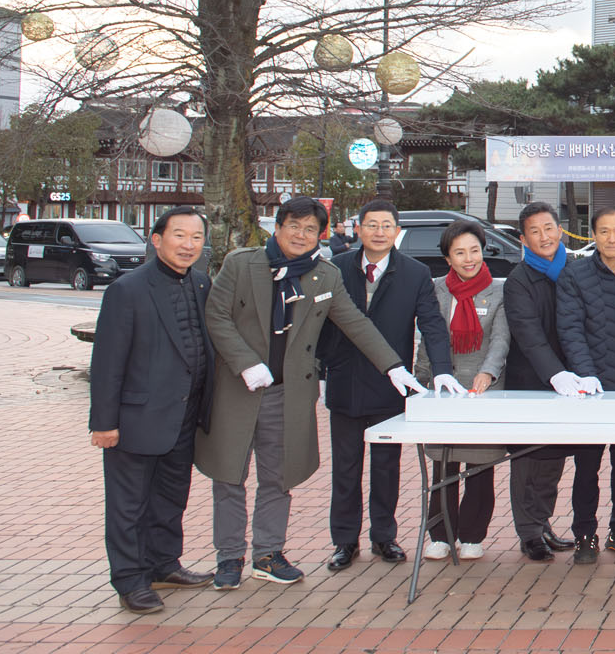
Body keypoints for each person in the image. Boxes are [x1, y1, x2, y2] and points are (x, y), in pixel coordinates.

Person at [196, 196, 428, 590]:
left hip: (286, 394)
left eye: (310, 229)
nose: (301, 235)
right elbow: (216, 316)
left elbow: (356, 323)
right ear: (277, 227)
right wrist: (245, 363)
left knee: (278, 477)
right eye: (294, 226)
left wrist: (393, 366)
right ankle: (229, 557)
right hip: (237, 389)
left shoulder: (324, 275)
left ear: (320, 235)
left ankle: (268, 554)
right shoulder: (240, 264)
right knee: (229, 475)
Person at [319, 199, 459, 571]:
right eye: (371, 225)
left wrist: (442, 370)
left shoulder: (414, 273)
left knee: (386, 467)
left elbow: (432, 325)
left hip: (391, 386)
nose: (379, 232)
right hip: (345, 381)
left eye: (386, 226)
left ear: (397, 232)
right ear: (358, 229)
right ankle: (344, 541)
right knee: (345, 468)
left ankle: (384, 536)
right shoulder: (336, 268)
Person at [89, 207, 215, 613]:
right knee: (129, 506)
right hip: (136, 420)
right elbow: (107, 362)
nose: (188, 245)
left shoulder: (200, 283)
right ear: (157, 240)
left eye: (196, 237)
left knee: (171, 498)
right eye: (180, 235)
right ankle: (130, 580)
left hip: (184, 416)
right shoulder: (127, 290)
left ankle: (164, 564)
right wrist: (104, 423)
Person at [556, 204, 615, 562]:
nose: (612, 238)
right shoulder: (574, 275)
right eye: (604, 231)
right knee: (587, 465)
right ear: (593, 235)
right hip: (590, 390)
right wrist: (586, 375)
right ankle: (584, 535)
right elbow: (570, 330)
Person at [503, 201, 595, 561]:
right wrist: (557, 374)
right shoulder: (518, 281)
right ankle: (529, 533)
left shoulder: (574, 271)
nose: (543, 237)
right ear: (523, 239)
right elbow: (528, 335)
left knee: (554, 460)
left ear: (560, 231)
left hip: (571, 383)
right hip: (533, 381)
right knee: (529, 460)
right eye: (534, 231)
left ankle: (542, 523)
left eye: (548, 228)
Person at [416, 219, 509, 560]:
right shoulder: (435, 289)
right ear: (448, 258)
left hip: (484, 388)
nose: (469, 259)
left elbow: (501, 339)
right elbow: (428, 337)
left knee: (480, 465)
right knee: (444, 465)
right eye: (460, 253)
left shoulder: (499, 290)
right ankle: (441, 534)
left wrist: (488, 372)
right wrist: (421, 380)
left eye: (474, 250)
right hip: (443, 388)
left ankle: (472, 534)